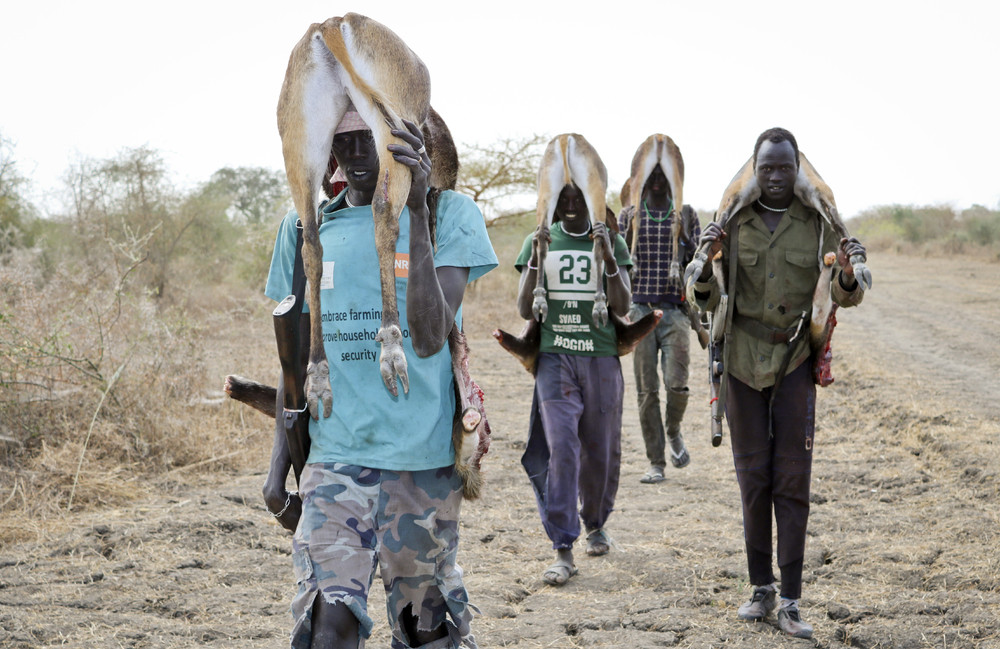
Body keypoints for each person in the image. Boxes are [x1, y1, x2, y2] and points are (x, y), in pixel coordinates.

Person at [261, 108, 498, 649]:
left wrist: (413, 214)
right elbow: (294, 362)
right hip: (333, 465)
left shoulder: (449, 215)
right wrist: (277, 472)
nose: (358, 153)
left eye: (370, 137)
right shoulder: (303, 231)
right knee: (328, 628)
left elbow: (432, 334)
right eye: (341, 140)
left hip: (422, 467)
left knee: (425, 632)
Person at [690, 127, 866, 639]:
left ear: (797, 170)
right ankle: (760, 588)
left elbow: (845, 291)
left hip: (792, 361)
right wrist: (704, 266)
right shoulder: (730, 224)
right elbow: (703, 298)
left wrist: (850, 276)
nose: (774, 177)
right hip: (741, 364)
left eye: (784, 168)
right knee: (754, 481)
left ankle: (790, 600)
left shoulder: (815, 224)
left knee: (792, 481)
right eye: (766, 168)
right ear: (754, 169)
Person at [515, 181, 633, 586]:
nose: (569, 206)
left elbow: (624, 305)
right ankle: (562, 546)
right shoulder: (539, 241)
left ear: (593, 201)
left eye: (577, 199)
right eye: (561, 200)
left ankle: (596, 522)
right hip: (555, 359)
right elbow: (522, 305)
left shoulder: (611, 241)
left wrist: (609, 257)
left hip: (600, 359)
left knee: (600, 451)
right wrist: (535, 257)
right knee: (562, 448)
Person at [618, 160, 701, 483]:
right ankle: (656, 462)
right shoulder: (630, 216)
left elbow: (698, 258)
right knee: (647, 390)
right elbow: (619, 259)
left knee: (676, 383)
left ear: (674, 181)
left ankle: (674, 430)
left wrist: (686, 237)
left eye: (662, 176)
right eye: (650, 176)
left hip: (675, 311)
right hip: (640, 311)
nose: (656, 181)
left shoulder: (687, 214)